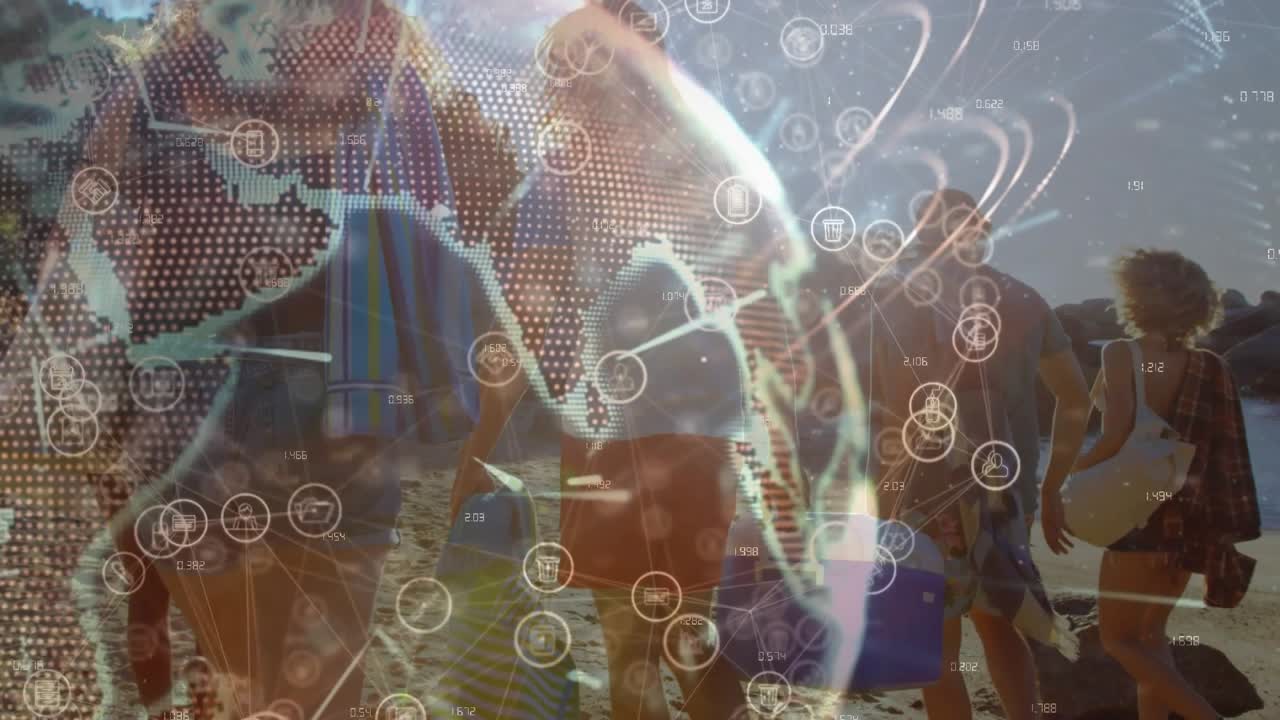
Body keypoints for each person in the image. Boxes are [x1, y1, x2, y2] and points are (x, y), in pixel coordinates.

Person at [871, 189, 1090, 720]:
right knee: (1002, 623)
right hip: (1005, 492)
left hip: (929, 491)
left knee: (935, 642)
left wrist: (885, 500)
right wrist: (1050, 484)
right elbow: (1077, 400)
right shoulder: (1025, 298)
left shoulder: (900, 297)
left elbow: (901, 407)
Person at [1065, 249, 1259, 720]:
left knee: (1119, 641)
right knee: (1152, 642)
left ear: (1134, 296)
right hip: (1188, 522)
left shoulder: (1121, 353)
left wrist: (1069, 478)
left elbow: (1116, 435)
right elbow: (1219, 451)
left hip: (1138, 521)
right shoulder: (1210, 365)